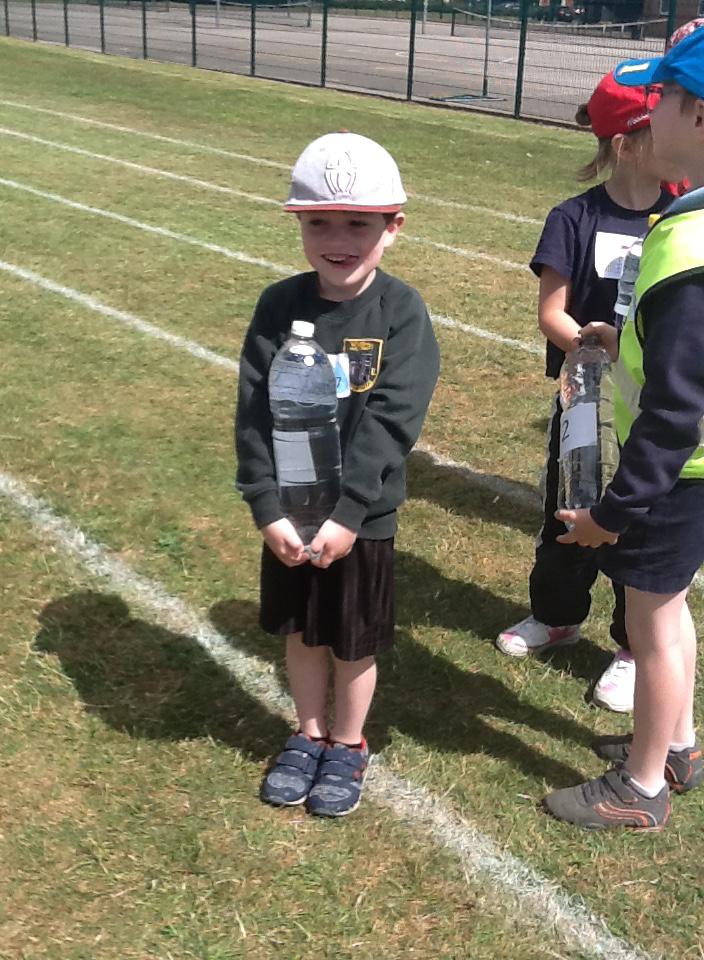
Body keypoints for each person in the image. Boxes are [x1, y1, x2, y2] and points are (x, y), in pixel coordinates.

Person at [235, 132, 439, 818]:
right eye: (319, 223)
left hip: (360, 519)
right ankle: (308, 732)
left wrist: (350, 512)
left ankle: (347, 743)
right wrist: (266, 506)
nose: (337, 240)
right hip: (290, 515)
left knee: (352, 641)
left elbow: (393, 421)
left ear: (393, 227)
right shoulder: (278, 305)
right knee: (301, 632)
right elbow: (253, 411)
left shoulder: (400, 312)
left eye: (358, 223)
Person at [543, 31, 704, 829]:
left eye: (665, 98)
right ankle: (677, 746)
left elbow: (677, 409)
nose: (654, 112)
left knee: (651, 621)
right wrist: (622, 337)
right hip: (690, 473)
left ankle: (641, 787)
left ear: (698, 114)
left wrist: (613, 512)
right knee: (671, 609)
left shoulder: (689, 238)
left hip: (675, 476)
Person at [495, 70, 678, 714]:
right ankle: (557, 615)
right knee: (569, 510)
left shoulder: (683, 214)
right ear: (625, 144)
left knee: (637, 521)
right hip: (586, 399)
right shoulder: (574, 217)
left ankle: (632, 648)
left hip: (651, 406)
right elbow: (553, 311)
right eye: (661, 124)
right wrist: (591, 350)